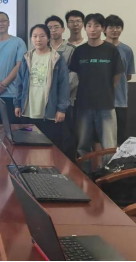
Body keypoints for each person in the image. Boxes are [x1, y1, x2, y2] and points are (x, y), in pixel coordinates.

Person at [70, 13, 124, 173]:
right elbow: (77, 76)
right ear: (85, 28)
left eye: (97, 26)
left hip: (106, 105)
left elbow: (116, 76)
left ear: (103, 28)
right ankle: (84, 175)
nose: (92, 29)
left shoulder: (111, 50)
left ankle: (108, 177)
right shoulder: (79, 51)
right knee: (82, 145)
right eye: (89, 26)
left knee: (109, 145)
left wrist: (105, 91)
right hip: (83, 105)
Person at [14, 25, 70, 154]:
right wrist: (17, 104)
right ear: (31, 38)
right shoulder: (27, 57)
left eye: (42, 36)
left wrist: (61, 109)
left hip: (49, 111)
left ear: (48, 38)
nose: (38, 39)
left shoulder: (56, 58)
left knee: (49, 147)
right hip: (28, 110)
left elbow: (64, 85)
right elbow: (19, 83)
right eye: (35, 36)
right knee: (28, 146)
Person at [46, 15, 78, 160]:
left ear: (63, 29)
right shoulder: (42, 48)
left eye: (56, 27)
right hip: (46, 102)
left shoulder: (71, 49)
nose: (53, 30)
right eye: (49, 28)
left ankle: (67, 167)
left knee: (66, 137)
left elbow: (73, 76)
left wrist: (60, 94)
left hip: (65, 101)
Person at [104, 14, 136, 145]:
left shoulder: (127, 50)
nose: (115, 30)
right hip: (101, 100)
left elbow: (128, 75)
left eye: (118, 27)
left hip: (120, 100)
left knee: (120, 135)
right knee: (101, 135)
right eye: (111, 27)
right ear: (104, 29)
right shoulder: (99, 48)